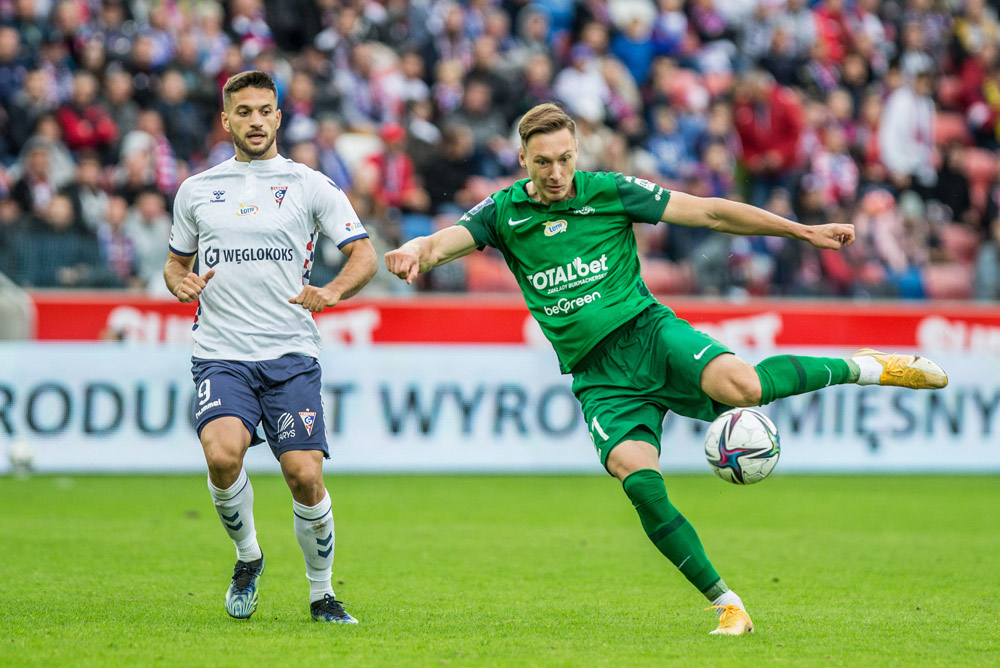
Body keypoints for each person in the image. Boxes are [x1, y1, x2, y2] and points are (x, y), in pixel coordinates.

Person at [384, 103, 949, 636]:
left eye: (565, 159)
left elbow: (708, 211)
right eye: (543, 162)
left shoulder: (608, 192)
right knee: (637, 478)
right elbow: (441, 243)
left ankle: (866, 366)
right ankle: (729, 606)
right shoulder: (505, 212)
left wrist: (799, 231)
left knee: (745, 386)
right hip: (599, 375)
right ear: (523, 160)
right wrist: (415, 249)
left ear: (577, 153)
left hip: (649, 333)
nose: (556, 172)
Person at [164, 70, 377, 624]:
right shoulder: (197, 189)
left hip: (289, 355)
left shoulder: (310, 185)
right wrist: (177, 282)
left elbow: (364, 256)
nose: (255, 121)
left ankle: (322, 592)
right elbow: (175, 261)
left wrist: (330, 291)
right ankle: (248, 557)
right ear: (226, 119)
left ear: (279, 116)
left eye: (265, 110)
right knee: (221, 455)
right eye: (244, 111)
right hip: (221, 352)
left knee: (305, 476)